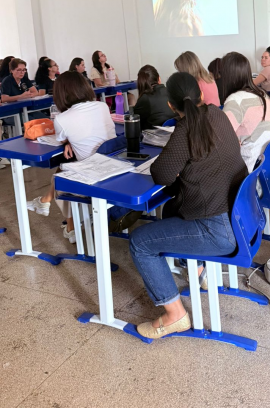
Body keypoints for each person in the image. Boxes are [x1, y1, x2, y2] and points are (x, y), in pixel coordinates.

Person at [129, 72, 247, 339]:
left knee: (139, 242)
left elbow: (161, 174)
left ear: (171, 106)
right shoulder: (217, 114)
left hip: (217, 231)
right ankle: (198, 270)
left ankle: (175, 316)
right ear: (201, 94)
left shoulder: (185, 129)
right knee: (171, 208)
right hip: (239, 218)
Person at [26, 72, 116, 243]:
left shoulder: (62, 119)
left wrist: (68, 141)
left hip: (93, 176)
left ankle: (68, 224)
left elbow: (60, 139)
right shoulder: (102, 106)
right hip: (113, 165)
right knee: (64, 169)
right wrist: (70, 141)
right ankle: (49, 207)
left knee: (60, 179)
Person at [221, 52, 270, 172]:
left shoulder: (235, 101)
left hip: (250, 171)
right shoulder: (262, 94)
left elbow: (220, 140)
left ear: (226, 76)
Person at [133, 65, 174, 129]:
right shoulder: (172, 91)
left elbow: (135, 123)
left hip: (155, 134)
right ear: (159, 79)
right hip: (176, 132)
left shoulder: (145, 99)